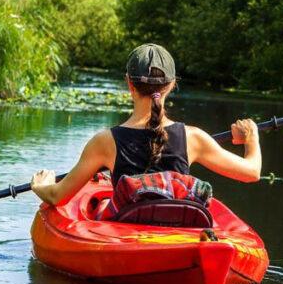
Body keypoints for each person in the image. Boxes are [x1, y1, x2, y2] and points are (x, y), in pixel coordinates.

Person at [30, 44, 261, 206]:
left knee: (102, 207)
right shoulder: (193, 138)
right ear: (171, 85)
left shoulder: (104, 142)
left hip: (127, 234)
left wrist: (42, 186)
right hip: (176, 233)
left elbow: (57, 196)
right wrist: (251, 139)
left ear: (129, 84)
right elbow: (252, 173)